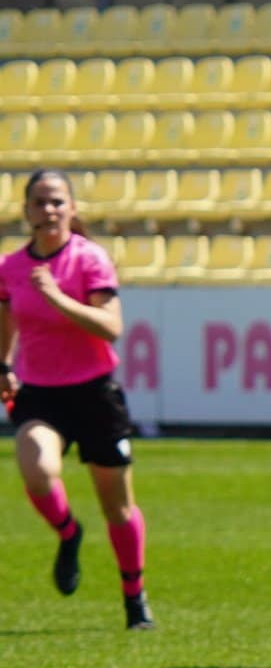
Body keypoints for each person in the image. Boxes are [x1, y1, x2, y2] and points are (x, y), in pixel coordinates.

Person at [0, 169, 152, 630]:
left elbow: (112, 327)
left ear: (71, 208)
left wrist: (58, 299)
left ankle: (134, 598)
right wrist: (4, 366)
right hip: (40, 393)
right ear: (26, 210)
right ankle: (68, 532)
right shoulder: (10, 268)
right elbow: (6, 322)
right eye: (40, 202)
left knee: (116, 505)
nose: (49, 210)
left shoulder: (89, 260)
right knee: (37, 468)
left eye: (57, 202)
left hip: (94, 392)